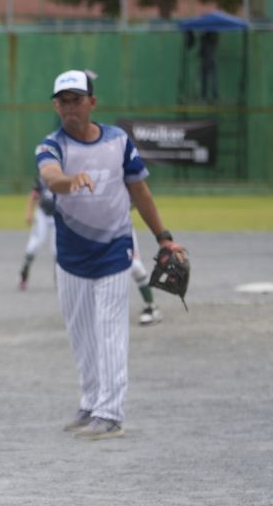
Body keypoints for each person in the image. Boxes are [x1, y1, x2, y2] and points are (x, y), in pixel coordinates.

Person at [36, 69, 186, 440]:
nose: (70, 107)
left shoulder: (119, 141)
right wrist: (70, 181)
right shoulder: (51, 146)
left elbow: (141, 193)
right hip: (70, 256)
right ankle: (91, 402)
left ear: (92, 102)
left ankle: (111, 412)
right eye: (63, 101)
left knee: (110, 330)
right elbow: (51, 177)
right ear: (56, 106)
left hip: (114, 251)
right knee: (81, 334)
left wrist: (163, 238)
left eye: (77, 99)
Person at [19, 181, 163, 327]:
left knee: (134, 266)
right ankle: (91, 311)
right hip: (92, 228)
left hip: (119, 226)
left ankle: (151, 306)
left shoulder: (118, 171)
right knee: (89, 265)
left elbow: (137, 196)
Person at [18, 176, 56, 291]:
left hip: (57, 216)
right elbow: (33, 195)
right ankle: (24, 273)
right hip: (42, 215)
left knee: (57, 249)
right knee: (35, 244)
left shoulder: (63, 176)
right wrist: (29, 212)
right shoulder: (42, 178)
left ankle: (60, 279)